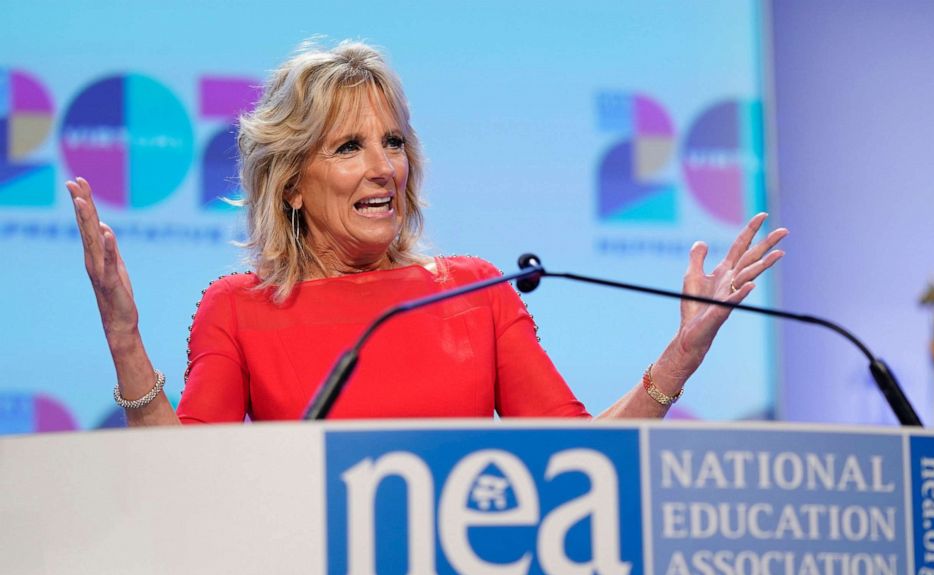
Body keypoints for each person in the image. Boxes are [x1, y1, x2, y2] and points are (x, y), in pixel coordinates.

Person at [67, 41, 786, 427]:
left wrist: (682, 355)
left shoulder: (476, 291)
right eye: (348, 148)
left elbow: (581, 458)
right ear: (290, 181)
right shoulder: (239, 309)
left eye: (393, 141)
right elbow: (186, 484)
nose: (384, 169)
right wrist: (125, 339)